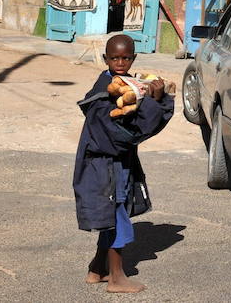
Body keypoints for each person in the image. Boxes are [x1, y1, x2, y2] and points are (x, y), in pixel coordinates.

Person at [74, 33, 173, 293]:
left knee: (113, 213)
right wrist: (155, 103)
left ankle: (97, 269)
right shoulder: (103, 95)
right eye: (115, 58)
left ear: (133, 58)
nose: (120, 62)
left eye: (126, 57)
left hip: (115, 163)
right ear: (105, 58)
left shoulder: (126, 84)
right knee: (117, 216)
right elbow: (125, 135)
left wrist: (153, 98)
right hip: (105, 165)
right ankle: (117, 277)